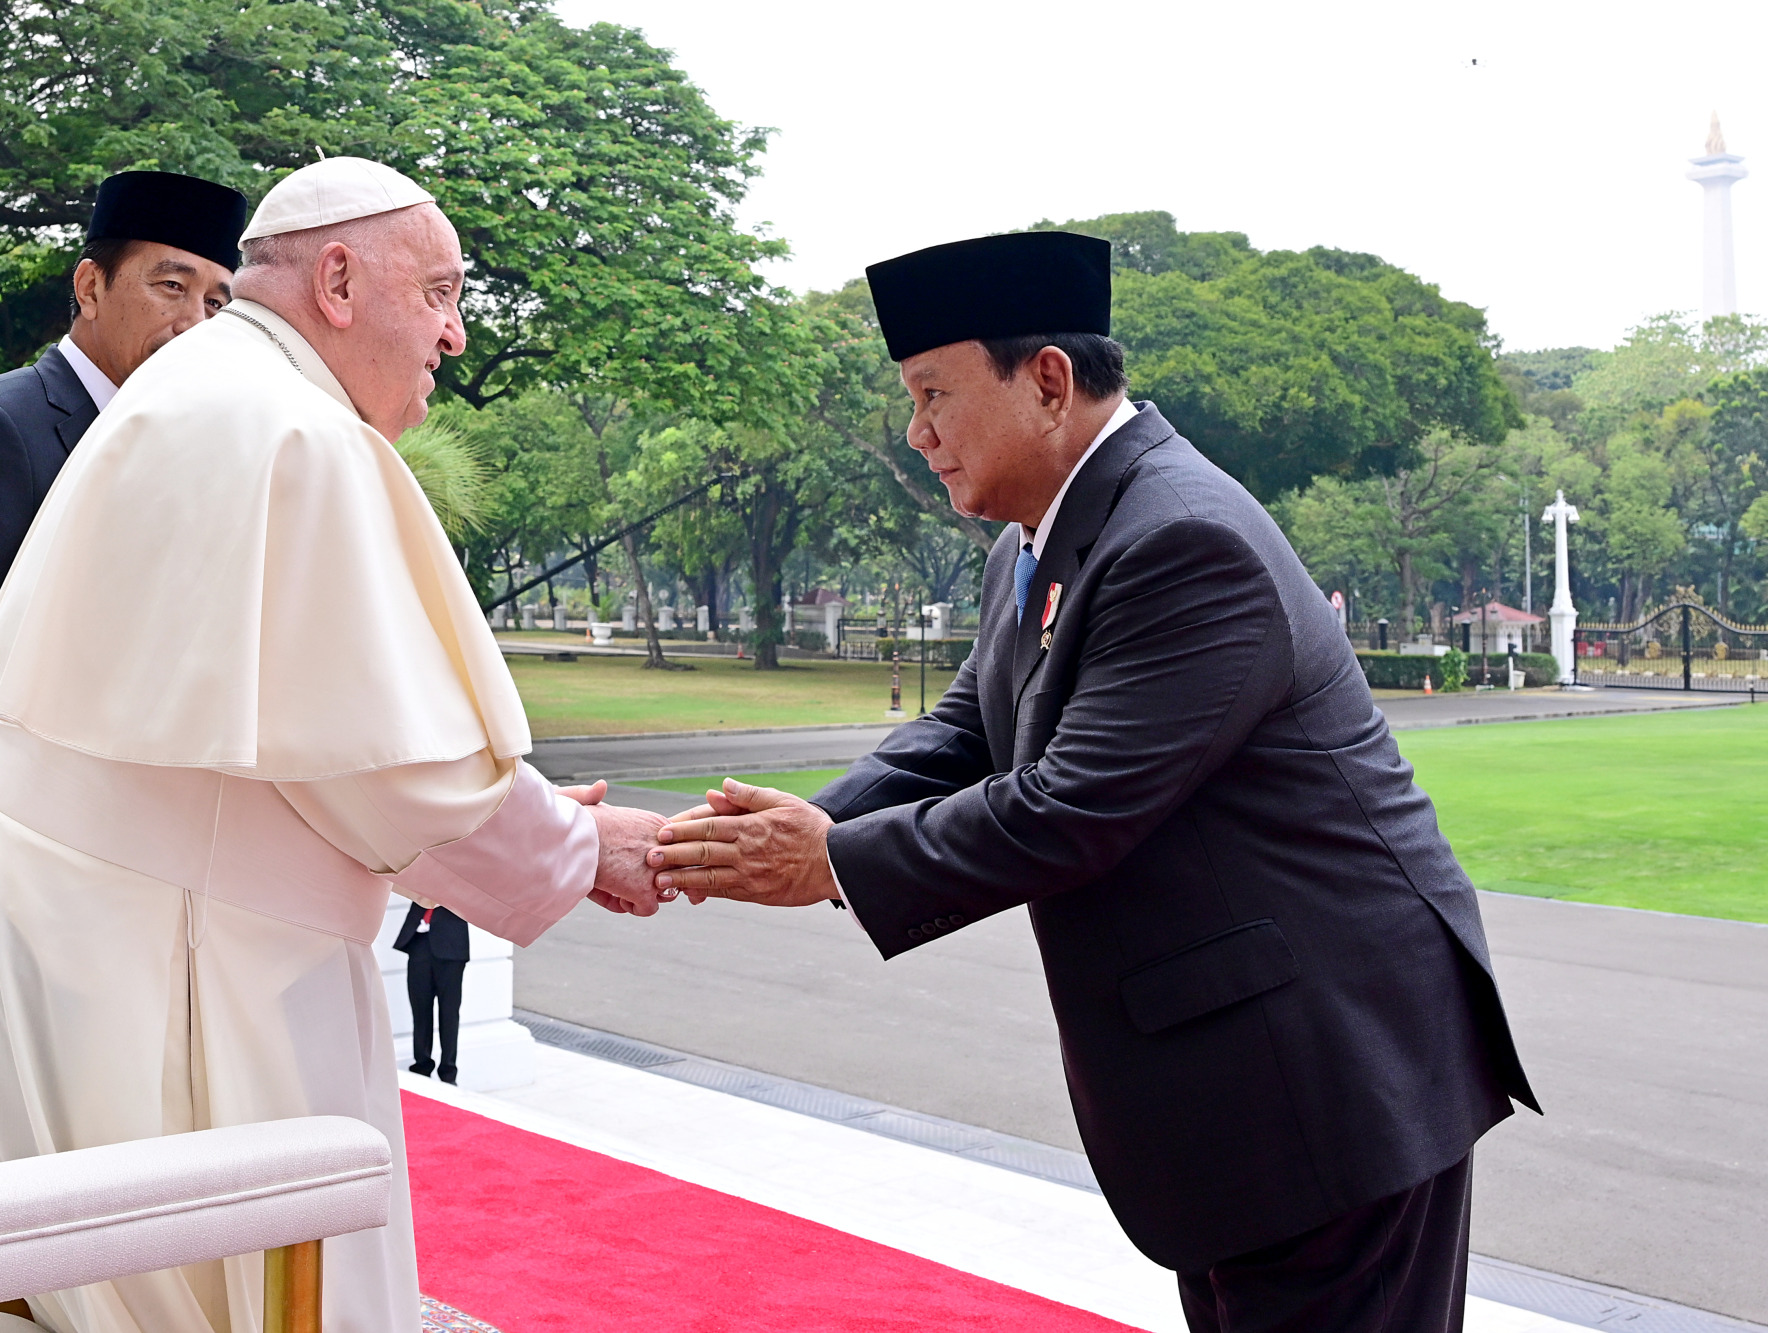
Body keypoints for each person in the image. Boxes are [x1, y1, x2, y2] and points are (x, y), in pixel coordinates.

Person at [647, 231, 1536, 1333]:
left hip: (1327, 1080)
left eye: (933, 394)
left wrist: (824, 863)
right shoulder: (1038, 535)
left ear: (1050, 382)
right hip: (1237, 1086)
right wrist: (780, 826)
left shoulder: (1180, 539)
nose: (916, 433)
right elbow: (969, 728)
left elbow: (1068, 807)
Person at [0, 157, 668, 1333]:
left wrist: (541, 822)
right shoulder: (288, 427)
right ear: (339, 281)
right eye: (443, 292)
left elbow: (298, 728)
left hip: (47, 919)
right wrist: (580, 844)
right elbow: (389, 774)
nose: (453, 336)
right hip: (137, 953)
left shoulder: (198, 385)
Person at [0, 170, 249, 889]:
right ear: (89, 285)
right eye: (170, 286)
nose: (194, 323)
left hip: (145, 884)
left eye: (215, 301)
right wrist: (83, 812)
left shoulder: (195, 451)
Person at [395, 904, 470, 1083]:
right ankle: (421, 1066)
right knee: (420, 1010)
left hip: (452, 947)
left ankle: (448, 1072)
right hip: (419, 943)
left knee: (449, 1014)